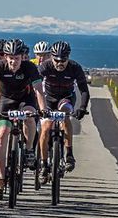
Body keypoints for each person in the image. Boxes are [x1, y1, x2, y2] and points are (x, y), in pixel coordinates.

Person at [0, 39, 46, 194]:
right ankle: (0, 178)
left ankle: (29, 148)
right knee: (2, 134)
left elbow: (38, 89)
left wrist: (43, 109)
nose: (14, 61)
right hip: (6, 101)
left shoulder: (29, 67)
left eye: (17, 58)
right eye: (11, 58)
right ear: (6, 57)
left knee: (29, 117)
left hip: (25, 100)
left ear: (22, 57)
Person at [38, 41, 90, 181]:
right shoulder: (45, 67)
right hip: (48, 98)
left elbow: (84, 90)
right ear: (51, 57)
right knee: (45, 127)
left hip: (66, 98)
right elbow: (33, 86)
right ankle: (43, 164)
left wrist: (82, 108)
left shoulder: (74, 68)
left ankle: (69, 154)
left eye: (63, 60)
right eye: (56, 60)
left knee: (64, 115)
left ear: (68, 58)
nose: (60, 63)